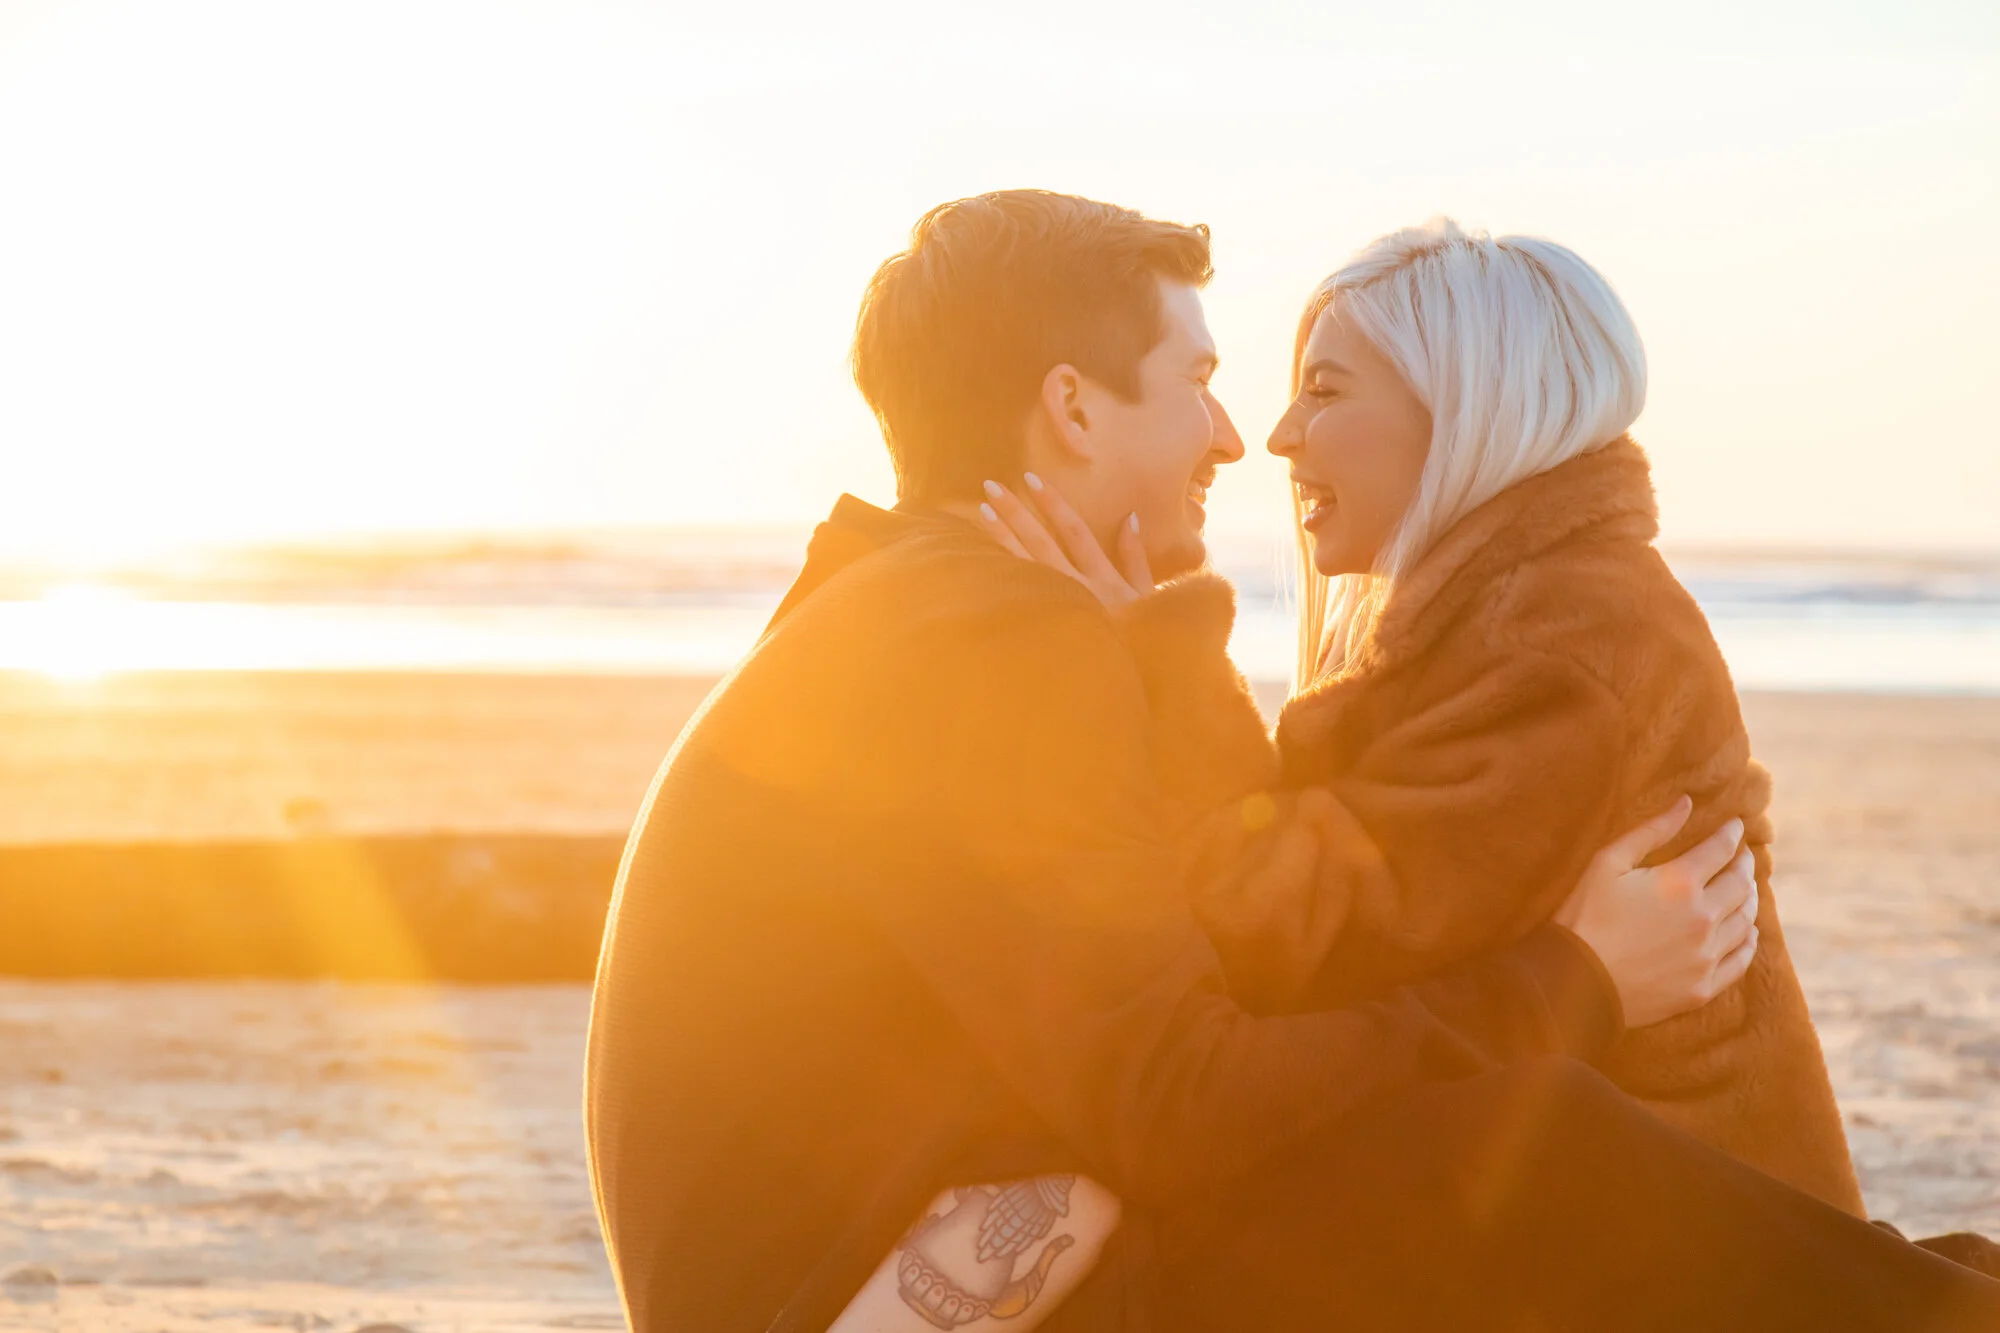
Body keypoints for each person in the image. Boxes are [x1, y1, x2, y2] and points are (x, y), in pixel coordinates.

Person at [582, 190, 2000, 1331]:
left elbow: (1191, 957)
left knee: (1459, 1150)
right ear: (1072, 411)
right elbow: (1189, 1091)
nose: (1230, 433)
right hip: (879, 1293)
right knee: (1511, 1146)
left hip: (884, 1254)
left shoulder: (917, 605)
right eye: (1195, 380)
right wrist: (1576, 979)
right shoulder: (993, 647)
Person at [986, 219, 1860, 1214]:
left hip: (1674, 1251)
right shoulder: (1509, 608)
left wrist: (1157, 657)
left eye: (1323, 391)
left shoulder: (1563, 640)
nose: (1274, 436)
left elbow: (1286, 945)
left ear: (1462, 408)